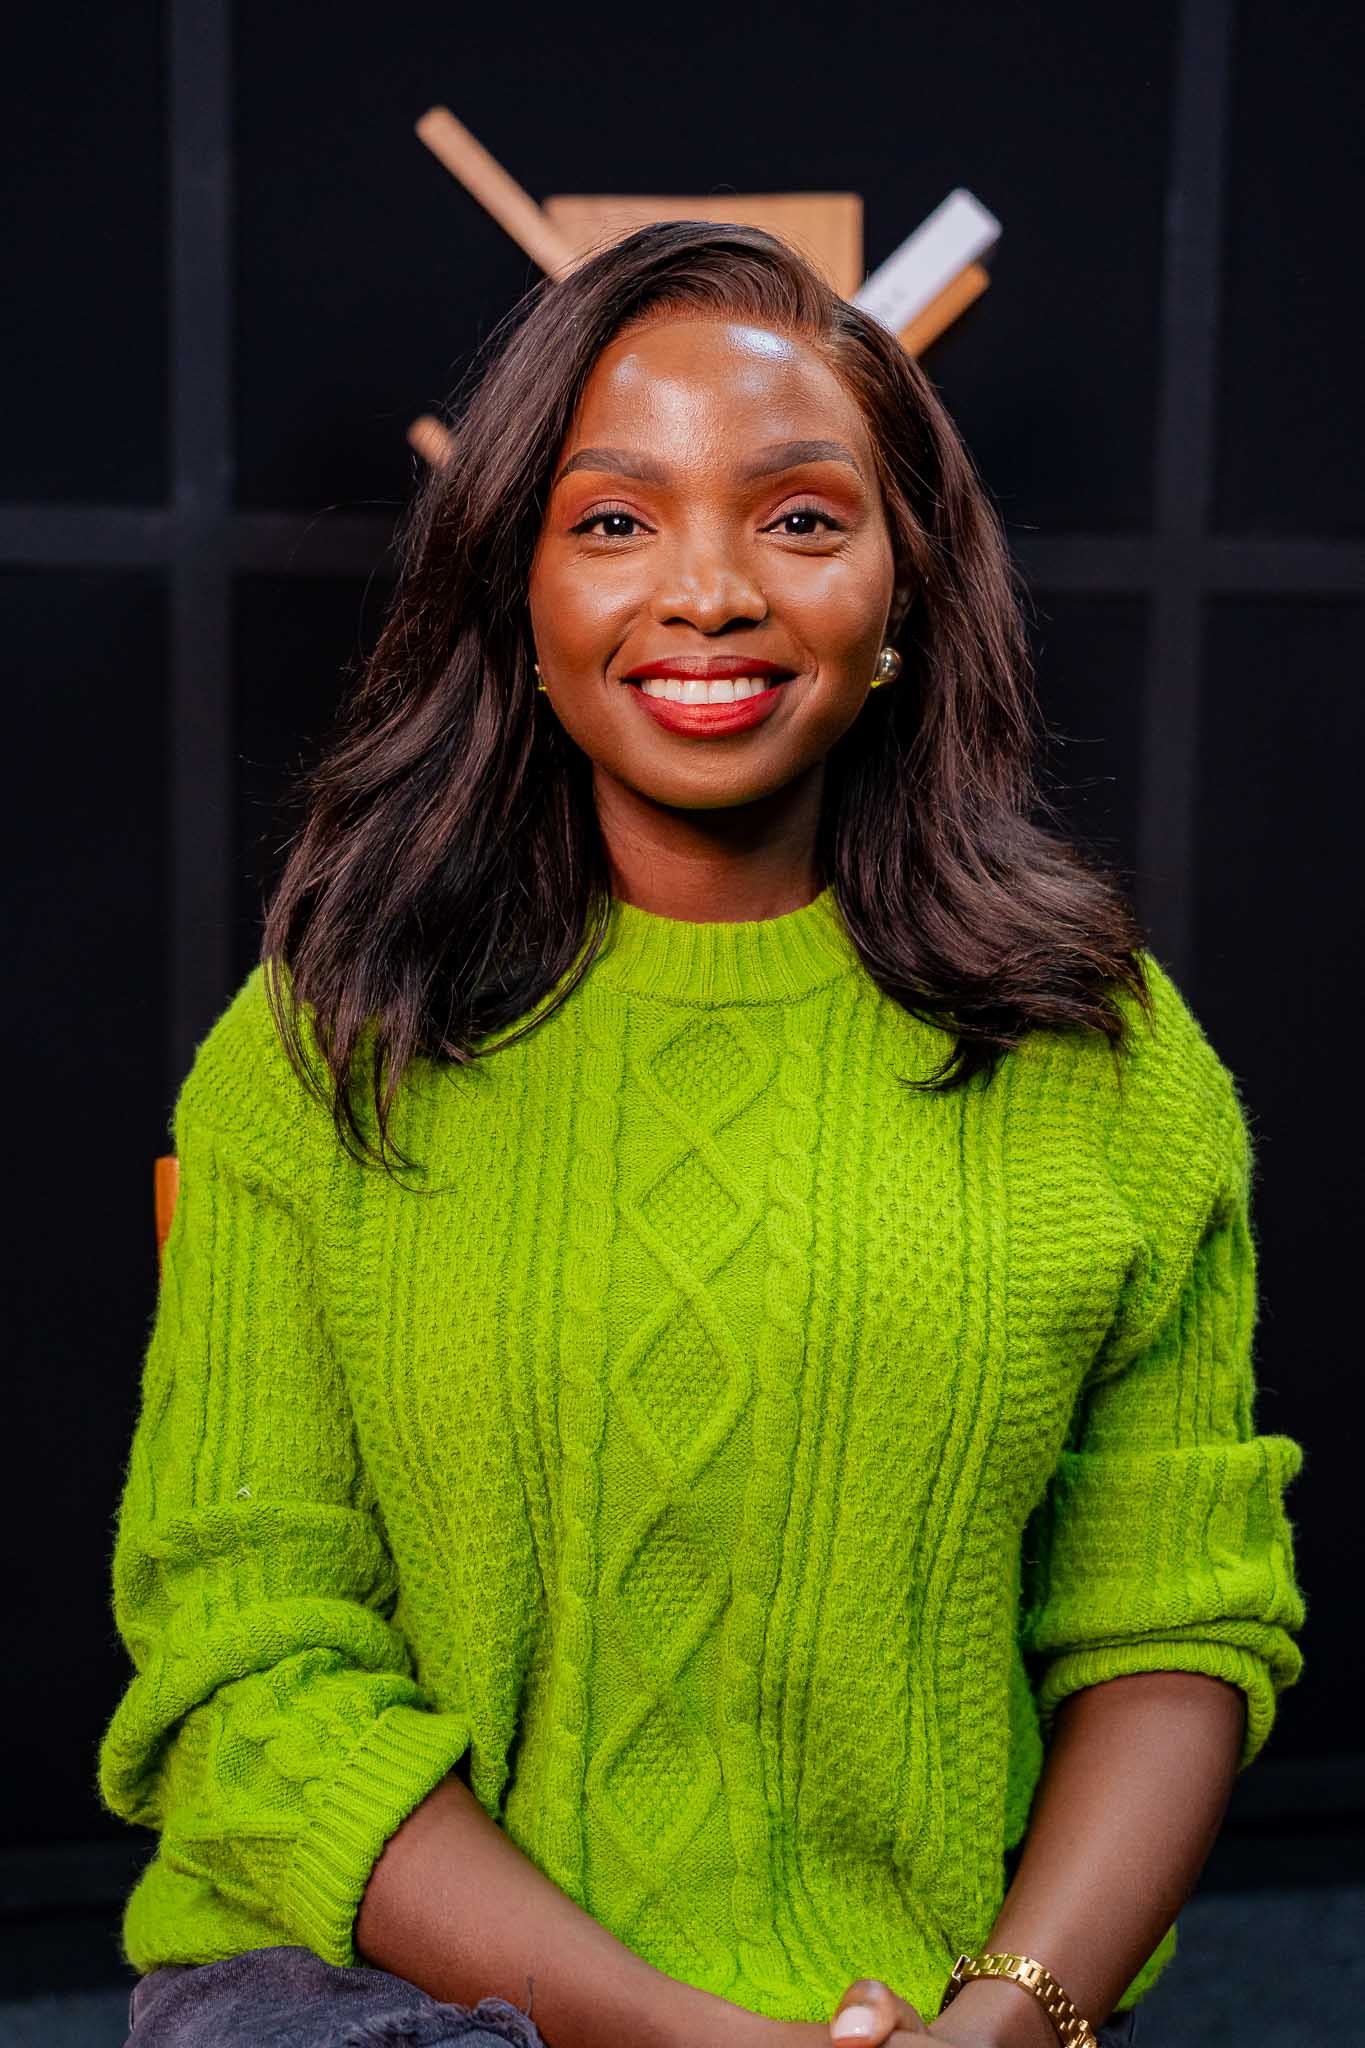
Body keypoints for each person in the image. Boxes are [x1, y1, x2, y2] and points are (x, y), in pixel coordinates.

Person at [101, 222, 1306, 2048]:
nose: (709, 590)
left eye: (801, 519)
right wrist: (696, 2043)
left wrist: (1011, 2017)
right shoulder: (321, 1045)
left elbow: (1169, 1627)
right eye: (613, 520)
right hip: (381, 2001)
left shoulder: (1106, 1059)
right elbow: (249, 1674)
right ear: (518, 585)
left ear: (906, 591)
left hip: (921, 2012)